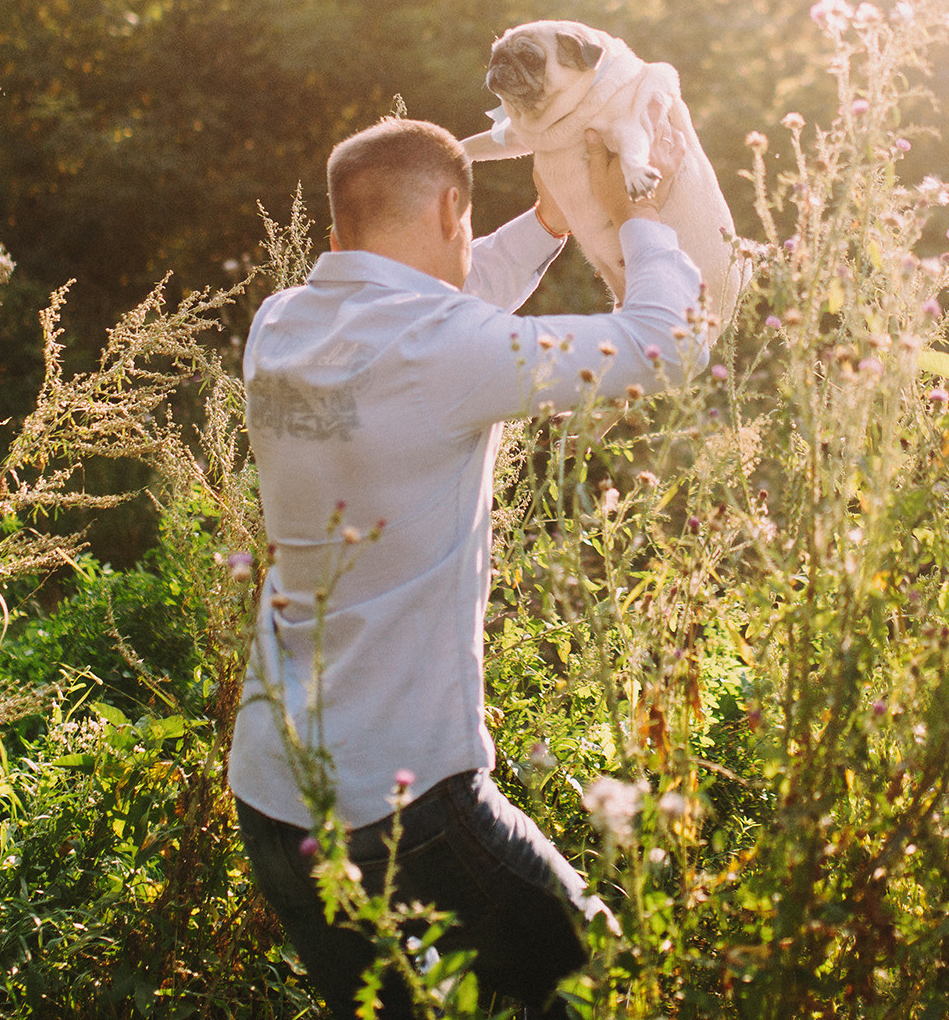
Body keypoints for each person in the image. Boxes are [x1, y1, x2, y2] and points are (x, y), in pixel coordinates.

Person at [228, 115, 700, 1016]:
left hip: (272, 800)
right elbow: (666, 346)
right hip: (407, 810)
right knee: (604, 981)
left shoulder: (280, 325)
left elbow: (433, 297)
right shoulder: (442, 346)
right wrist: (636, 211)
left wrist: (547, 225)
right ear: (454, 208)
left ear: (337, 231)